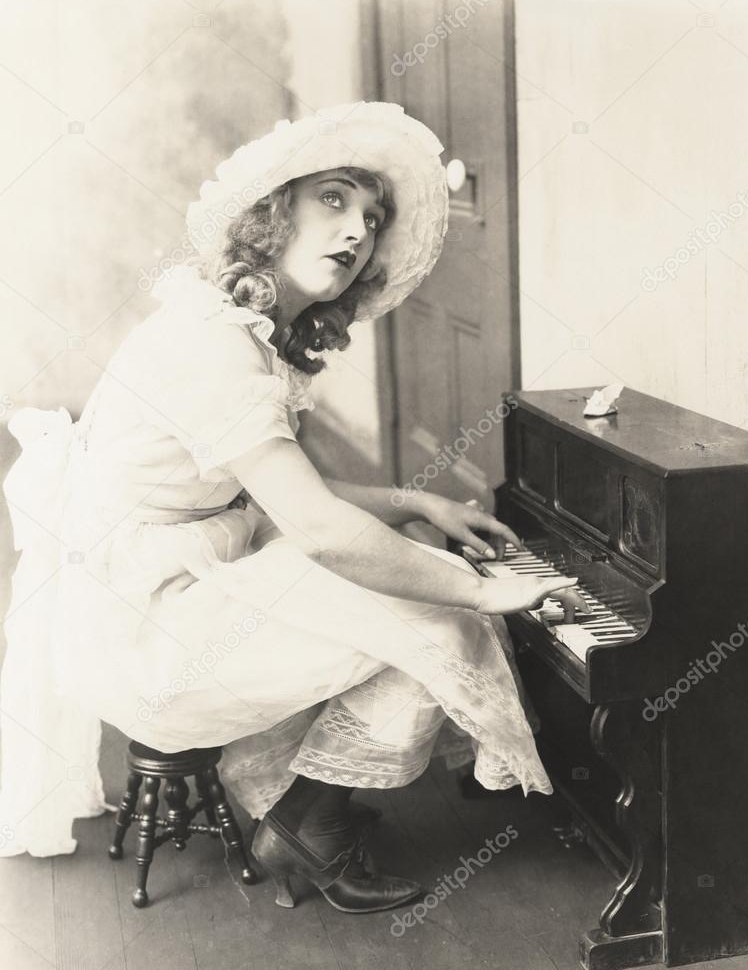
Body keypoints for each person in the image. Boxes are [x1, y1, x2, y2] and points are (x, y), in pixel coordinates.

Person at [0, 101, 584, 911]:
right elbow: (312, 524)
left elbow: (289, 491)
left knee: (419, 584)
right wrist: (483, 589)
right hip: (140, 627)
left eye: (373, 219)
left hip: (175, 576)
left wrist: (417, 502)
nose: (357, 234)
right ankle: (308, 822)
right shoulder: (212, 345)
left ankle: (303, 812)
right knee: (446, 620)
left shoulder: (242, 331)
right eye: (335, 199)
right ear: (274, 216)